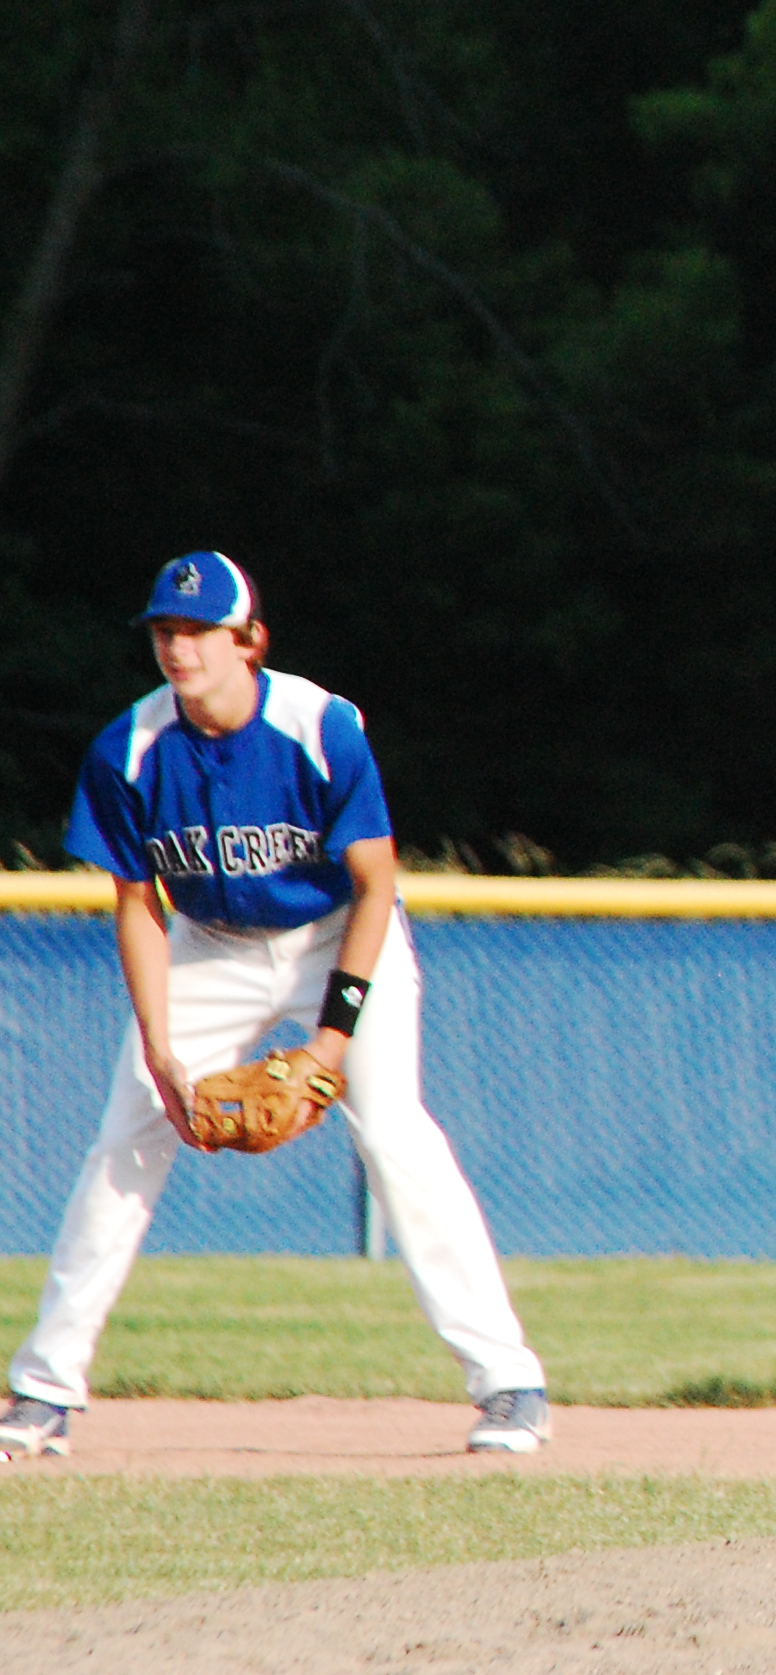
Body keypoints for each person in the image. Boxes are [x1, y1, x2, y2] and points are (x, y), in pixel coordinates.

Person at [0, 552, 549, 1460]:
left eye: (199, 630)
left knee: (395, 1135)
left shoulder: (321, 727)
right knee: (127, 1135)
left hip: (338, 933)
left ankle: (510, 1383)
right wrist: (160, 1045)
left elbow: (376, 885)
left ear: (249, 640)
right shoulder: (128, 750)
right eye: (165, 631)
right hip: (209, 942)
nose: (178, 648)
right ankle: (43, 1390)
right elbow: (137, 906)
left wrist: (332, 1041)